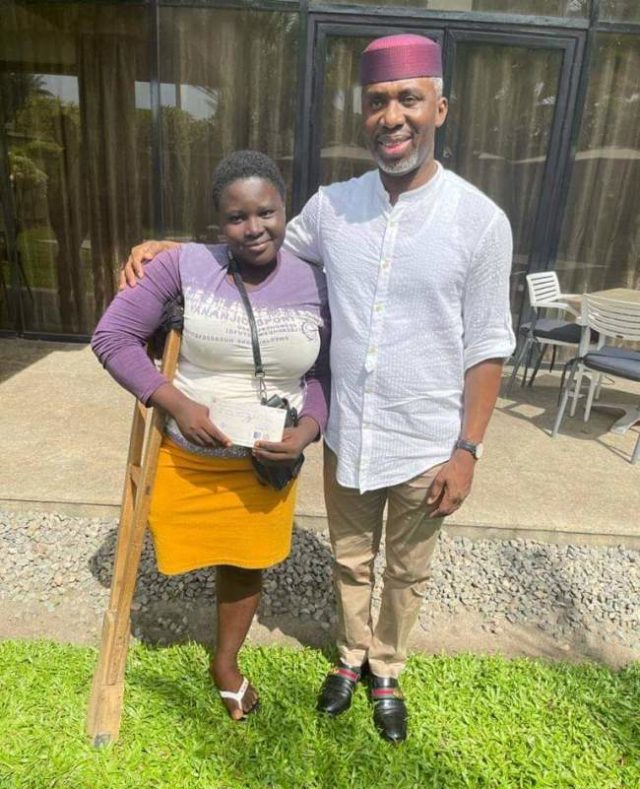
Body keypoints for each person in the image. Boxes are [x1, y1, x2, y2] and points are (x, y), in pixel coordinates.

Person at [120, 34, 516, 743]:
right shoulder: (334, 207)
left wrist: (468, 450)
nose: (392, 116)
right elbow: (254, 241)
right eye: (377, 101)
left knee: (408, 569)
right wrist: (171, 252)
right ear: (364, 114)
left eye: (408, 99)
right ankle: (350, 657)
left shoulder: (480, 221)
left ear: (440, 108)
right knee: (351, 559)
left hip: (428, 437)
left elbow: (488, 345)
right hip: (348, 432)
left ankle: (387, 669)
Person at [92, 150, 330, 721]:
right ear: (218, 224)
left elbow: (324, 375)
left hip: (267, 462)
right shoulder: (182, 266)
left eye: (266, 212)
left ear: (285, 209)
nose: (254, 228)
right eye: (236, 217)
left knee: (246, 561)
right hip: (187, 456)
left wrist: (306, 432)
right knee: (174, 549)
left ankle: (225, 663)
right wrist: (175, 401)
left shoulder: (317, 283)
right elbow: (113, 336)